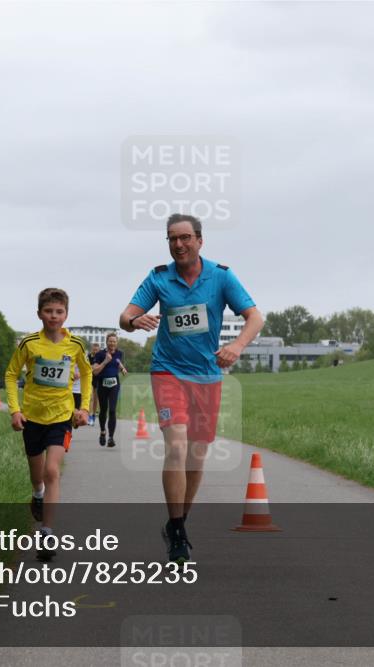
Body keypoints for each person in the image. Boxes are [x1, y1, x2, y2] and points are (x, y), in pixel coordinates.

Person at [119, 214, 263, 562]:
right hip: (167, 372)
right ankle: (178, 529)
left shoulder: (221, 277)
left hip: (207, 375)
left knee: (197, 455)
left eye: (185, 238)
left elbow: (255, 317)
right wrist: (135, 320)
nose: (179, 244)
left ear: (200, 240)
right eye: (172, 238)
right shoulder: (159, 278)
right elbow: (124, 317)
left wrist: (237, 347)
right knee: (178, 446)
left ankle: (178, 521)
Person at [5, 287, 92, 562]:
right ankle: (37, 493)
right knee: (38, 475)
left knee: (52, 470)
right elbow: (10, 374)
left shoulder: (75, 345)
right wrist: (15, 410)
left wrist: (84, 407)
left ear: (66, 314)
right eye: (48, 311)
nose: (54, 316)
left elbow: (87, 374)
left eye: (59, 312)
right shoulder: (29, 343)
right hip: (32, 417)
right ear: (39, 313)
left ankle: (47, 531)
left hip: (61, 417)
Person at [92, 332, 128, 447]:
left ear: (116, 343)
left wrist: (122, 368)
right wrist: (105, 361)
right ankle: (103, 432)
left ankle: (111, 438)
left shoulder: (119, 353)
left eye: (114, 341)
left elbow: (117, 362)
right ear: (107, 342)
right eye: (110, 341)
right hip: (102, 385)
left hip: (114, 385)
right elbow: (95, 371)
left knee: (112, 410)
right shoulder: (100, 354)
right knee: (103, 410)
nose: (112, 343)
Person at [87, 342, 101, 426]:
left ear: (99, 350)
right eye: (94, 349)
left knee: (96, 398)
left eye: (97, 350)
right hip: (90, 378)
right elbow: (87, 367)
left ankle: (94, 414)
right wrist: (92, 367)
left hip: (98, 379)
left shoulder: (101, 356)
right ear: (92, 349)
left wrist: (94, 367)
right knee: (91, 397)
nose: (95, 351)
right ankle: (90, 415)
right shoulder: (89, 356)